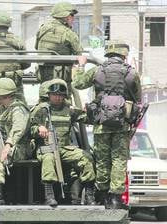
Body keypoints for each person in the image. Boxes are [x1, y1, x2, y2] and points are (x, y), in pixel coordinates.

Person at [72, 40, 142, 209]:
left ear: (108, 53)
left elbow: (78, 83)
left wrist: (80, 66)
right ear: (124, 55)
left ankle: (102, 197)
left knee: (102, 161)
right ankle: (116, 199)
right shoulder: (131, 73)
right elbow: (138, 99)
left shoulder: (97, 70)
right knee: (119, 160)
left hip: (101, 125)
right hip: (122, 125)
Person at [30, 79, 96, 206]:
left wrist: (91, 111)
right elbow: (28, 130)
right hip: (46, 147)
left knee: (86, 158)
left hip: (65, 148)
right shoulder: (41, 110)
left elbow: (85, 118)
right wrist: (39, 128)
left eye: (60, 95)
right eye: (55, 95)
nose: (58, 98)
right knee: (48, 159)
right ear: (49, 95)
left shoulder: (69, 109)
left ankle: (89, 194)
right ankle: (49, 195)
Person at [35, 1, 83, 85]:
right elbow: (80, 54)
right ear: (66, 16)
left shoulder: (42, 29)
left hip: (43, 77)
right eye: (72, 15)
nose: (73, 18)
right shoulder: (68, 33)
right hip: (61, 79)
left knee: (44, 97)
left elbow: (36, 47)